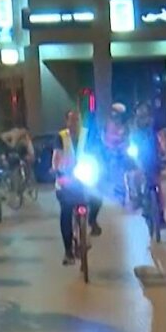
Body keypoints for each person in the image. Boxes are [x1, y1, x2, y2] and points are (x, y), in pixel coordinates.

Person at [52, 109, 104, 266]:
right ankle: (68, 250)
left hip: (85, 177)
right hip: (66, 180)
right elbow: (56, 157)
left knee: (97, 198)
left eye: (77, 120)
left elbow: (97, 153)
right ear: (66, 122)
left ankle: (92, 221)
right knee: (66, 213)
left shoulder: (88, 135)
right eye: (71, 120)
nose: (74, 123)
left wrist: (100, 167)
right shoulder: (61, 137)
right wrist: (57, 171)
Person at [130, 108, 166, 230]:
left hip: (153, 159)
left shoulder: (154, 127)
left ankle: (161, 214)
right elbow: (131, 142)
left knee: (158, 186)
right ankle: (138, 198)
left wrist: (164, 152)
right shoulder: (134, 128)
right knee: (135, 176)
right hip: (141, 160)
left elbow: (162, 139)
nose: (142, 117)